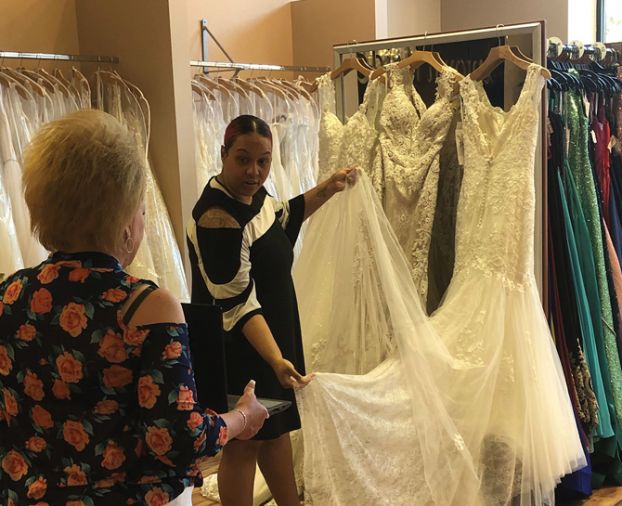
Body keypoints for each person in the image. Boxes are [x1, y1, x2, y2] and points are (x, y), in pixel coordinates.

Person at [0, 109, 268, 505]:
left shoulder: (10, 294)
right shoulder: (146, 307)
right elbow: (178, 437)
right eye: (142, 208)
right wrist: (244, 417)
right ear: (124, 216)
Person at [187, 114, 355, 506]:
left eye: (263, 161)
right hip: (242, 343)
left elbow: (282, 216)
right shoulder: (218, 218)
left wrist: (328, 189)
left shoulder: (255, 196)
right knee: (245, 441)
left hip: (271, 332)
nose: (254, 171)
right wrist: (276, 359)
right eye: (243, 159)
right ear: (224, 154)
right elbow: (236, 303)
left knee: (274, 429)